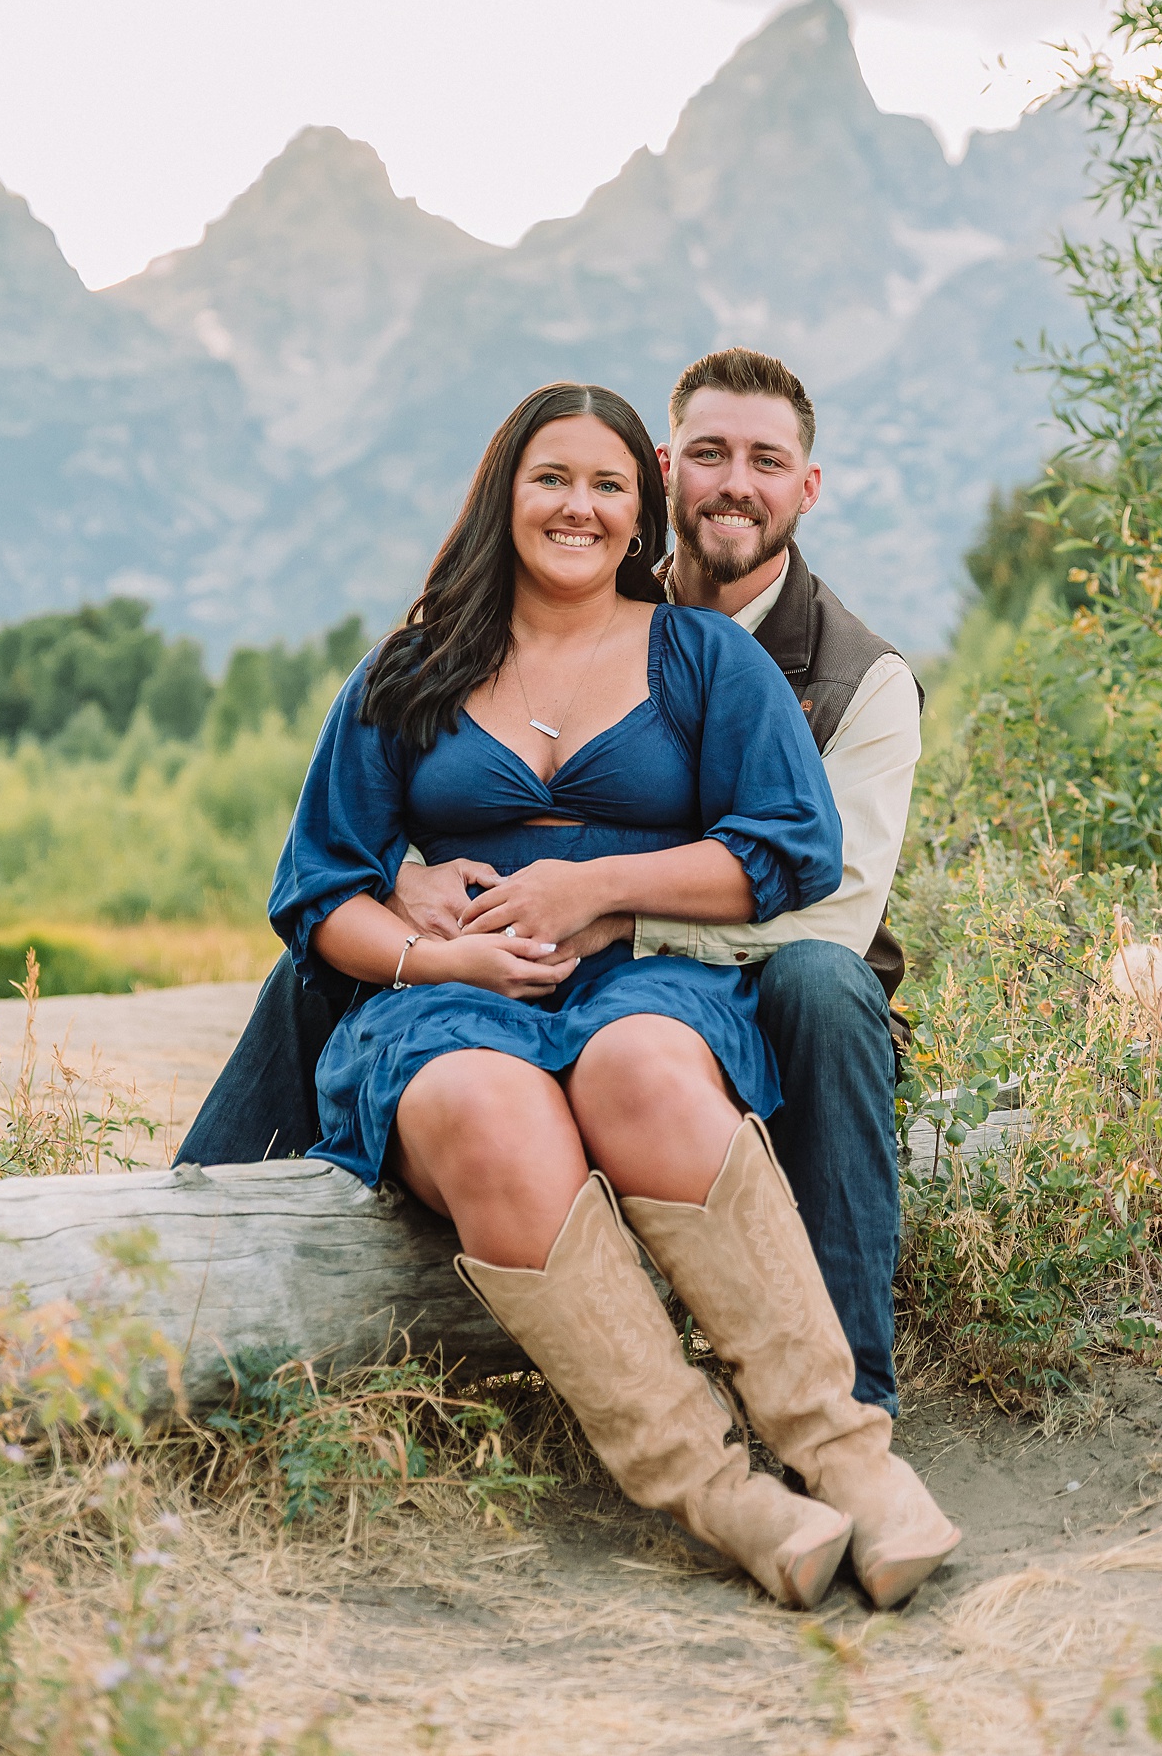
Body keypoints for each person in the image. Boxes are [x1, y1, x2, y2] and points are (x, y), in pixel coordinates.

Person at [266, 380, 959, 1608]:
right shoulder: (410, 669)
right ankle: (719, 1492)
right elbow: (325, 893)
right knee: (487, 1109)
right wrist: (442, 953)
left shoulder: (700, 659)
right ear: (504, 492)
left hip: (642, 977)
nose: (577, 507)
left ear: (640, 508)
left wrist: (594, 895)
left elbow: (786, 850)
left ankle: (850, 1460)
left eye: (603, 486)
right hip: (447, 1005)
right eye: (551, 479)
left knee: (640, 1074)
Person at [177, 347, 919, 1415]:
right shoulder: (590, 596)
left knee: (823, 987)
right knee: (313, 973)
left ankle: (853, 1393)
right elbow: (363, 835)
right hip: (532, 957)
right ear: (666, 474)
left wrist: (603, 909)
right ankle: (201, 1252)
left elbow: (828, 904)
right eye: (708, 454)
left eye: (766, 460)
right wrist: (403, 883)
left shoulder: (859, 678)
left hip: (756, 972)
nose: (734, 483)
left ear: (806, 487)